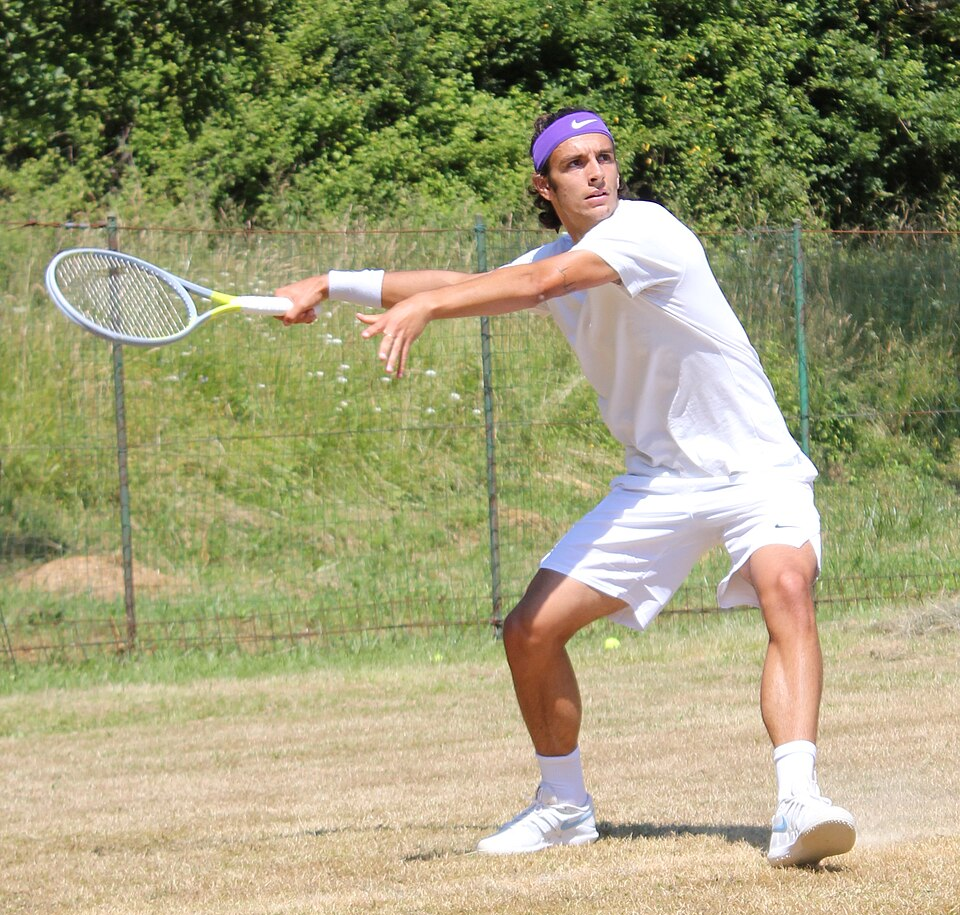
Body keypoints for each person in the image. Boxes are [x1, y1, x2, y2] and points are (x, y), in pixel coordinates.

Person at [275, 108, 857, 867]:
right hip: (658, 482)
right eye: (575, 164)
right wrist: (330, 282)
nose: (596, 173)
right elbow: (474, 282)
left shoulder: (647, 231)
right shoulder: (555, 256)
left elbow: (538, 284)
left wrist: (428, 309)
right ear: (544, 187)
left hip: (756, 470)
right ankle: (564, 807)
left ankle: (798, 803)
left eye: (604, 157)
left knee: (786, 584)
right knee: (530, 631)